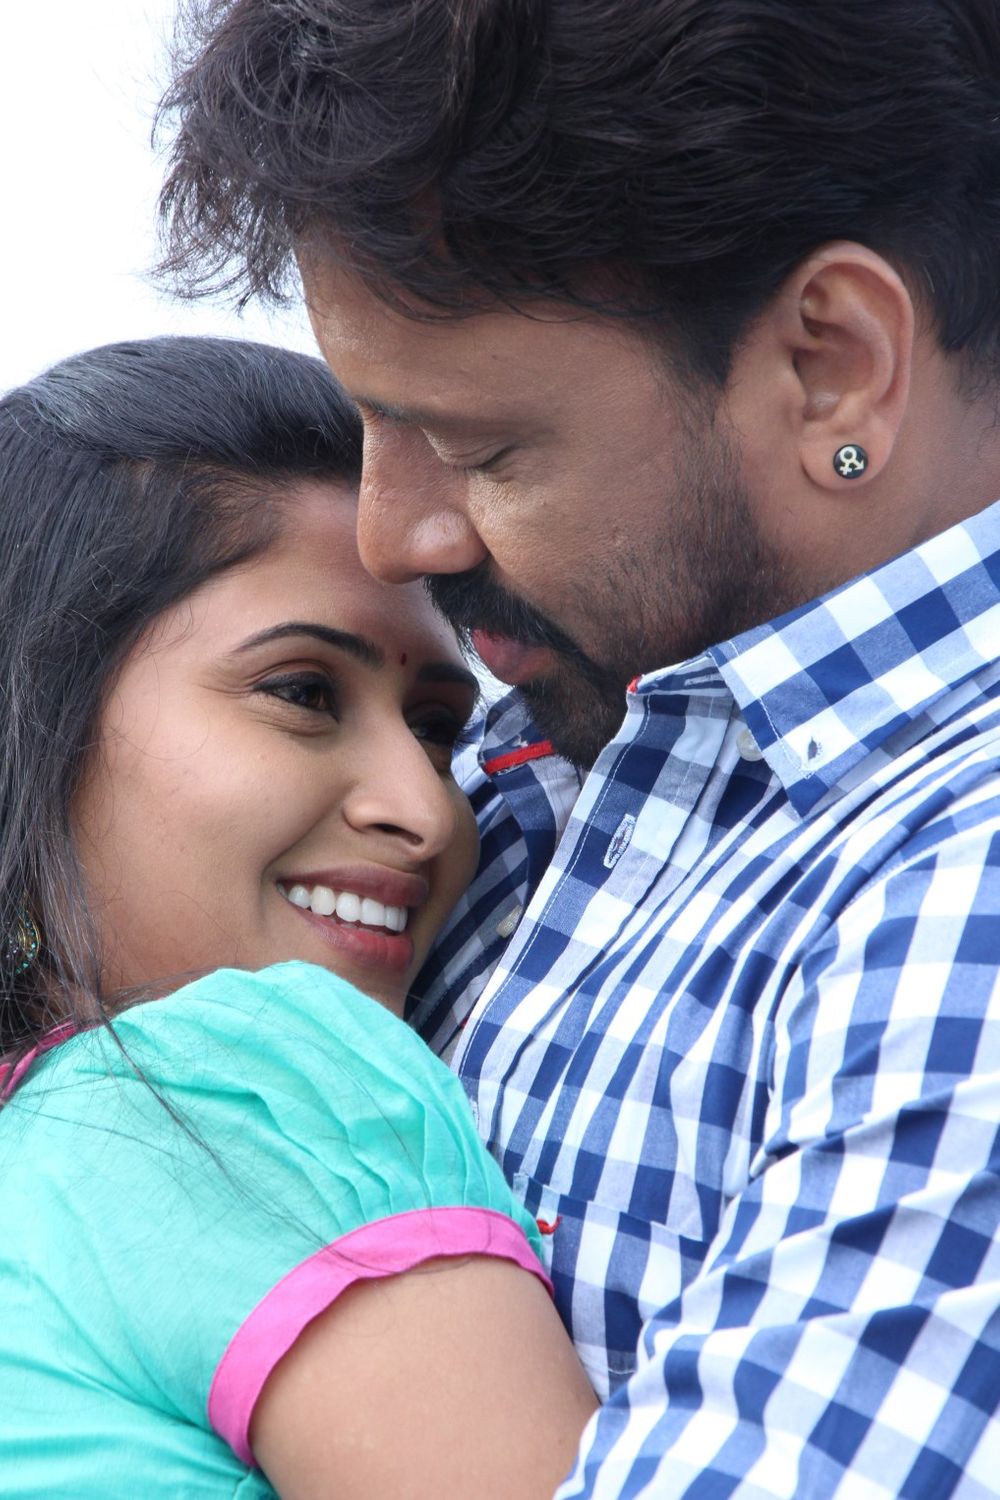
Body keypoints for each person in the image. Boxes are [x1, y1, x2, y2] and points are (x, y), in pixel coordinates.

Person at [157, 3, 1000, 1496]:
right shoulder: (518, 760)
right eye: (368, 422)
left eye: (481, 450)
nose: (392, 538)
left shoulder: (957, 889)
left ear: (832, 369)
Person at [0, 335, 597, 1499]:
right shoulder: (261, 1092)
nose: (423, 808)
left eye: (436, 727)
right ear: (39, 723)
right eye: (303, 693)